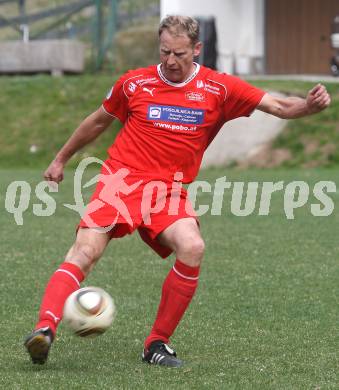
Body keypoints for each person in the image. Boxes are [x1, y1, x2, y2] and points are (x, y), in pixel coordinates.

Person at [24, 15, 331, 367]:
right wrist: (60, 159)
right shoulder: (134, 83)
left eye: (180, 53)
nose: (170, 60)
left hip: (168, 191)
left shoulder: (219, 88)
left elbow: (278, 106)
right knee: (85, 251)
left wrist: (308, 106)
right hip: (120, 183)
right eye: (165, 51)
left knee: (193, 246)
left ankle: (157, 344)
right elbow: (97, 121)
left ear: (197, 49)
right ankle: (44, 331)